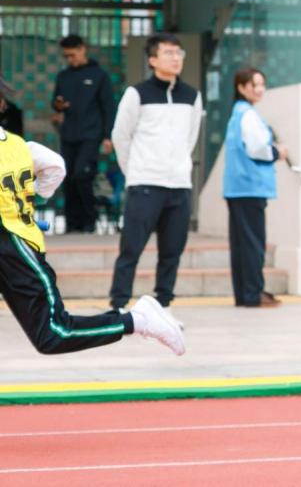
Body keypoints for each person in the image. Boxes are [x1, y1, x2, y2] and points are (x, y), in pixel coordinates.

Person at [0, 125, 184, 356]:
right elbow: (55, 166)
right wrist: (32, 197)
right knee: (51, 334)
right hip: (17, 239)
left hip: (12, 247)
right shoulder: (20, 146)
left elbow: (56, 166)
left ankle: (137, 320)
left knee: (54, 333)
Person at [109, 34, 201, 319]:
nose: (176, 58)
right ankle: (118, 305)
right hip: (145, 184)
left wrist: (178, 165)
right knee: (131, 248)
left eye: (179, 53)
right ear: (152, 60)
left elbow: (190, 138)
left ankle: (164, 305)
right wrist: (135, 171)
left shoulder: (192, 96)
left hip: (179, 185)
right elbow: (120, 136)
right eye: (168, 53)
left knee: (172, 250)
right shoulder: (137, 93)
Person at [223, 68, 285, 309]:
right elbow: (258, 148)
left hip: (237, 188)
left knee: (241, 244)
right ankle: (253, 293)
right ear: (241, 88)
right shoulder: (248, 114)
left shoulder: (237, 113)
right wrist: (278, 152)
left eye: (262, 84)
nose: (259, 89)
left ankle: (245, 293)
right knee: (252, 243)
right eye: (254, 85)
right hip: (250, 187)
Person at [51, 36, 115, 234]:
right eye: (66, 56)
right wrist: (59, 106)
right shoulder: (63, 76)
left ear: (82, 49)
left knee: (82, 174)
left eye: (72, 55)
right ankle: (72, 224)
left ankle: (89, 221)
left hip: (90, 134)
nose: (70, 59)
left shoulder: (99, 75)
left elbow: (108, 107)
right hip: (68, 134)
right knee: (68, 177)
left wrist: (108, 136)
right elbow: (56, 102)